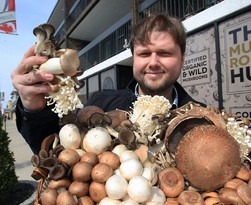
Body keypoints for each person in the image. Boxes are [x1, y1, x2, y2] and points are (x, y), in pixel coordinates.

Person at [11, 13, 205, 154]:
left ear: (182, 59)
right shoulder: (100, 104)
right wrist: (34, 109)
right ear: (134, 59)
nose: (153, 62)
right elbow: (56, 151)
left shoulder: (203, 118)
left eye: (165, 53)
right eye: (144, 54)